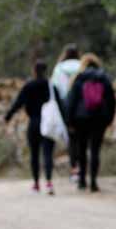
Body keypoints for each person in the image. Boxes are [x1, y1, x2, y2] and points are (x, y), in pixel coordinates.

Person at [64, 53, 116, 193]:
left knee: (82, 150)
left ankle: (82, 181)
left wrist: (69, 121)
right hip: (99, 118)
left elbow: (71, 101)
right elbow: (111, 100)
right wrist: (109, 118)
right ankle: (93, 181)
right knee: (95, 150)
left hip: (81, 119)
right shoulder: (104, 78)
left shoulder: (79, 78)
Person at [4, 60, 56, 195]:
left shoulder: (29, 86)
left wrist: (8, 116)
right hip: (49, 123)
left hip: (34, 122)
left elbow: (18, 102)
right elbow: (59, 104)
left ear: (34, 70)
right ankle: (49, 182)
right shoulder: (50, 86)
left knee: (34, 154)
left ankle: (36, 184)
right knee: (48, 153)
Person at [50, 44, 82, 182]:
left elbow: (54, 90)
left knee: (72, 139)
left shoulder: (59, 68)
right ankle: (83, 168)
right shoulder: (82, 65)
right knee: (83, 139)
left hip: (66, 107)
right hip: (82, 106)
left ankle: (74, 169)